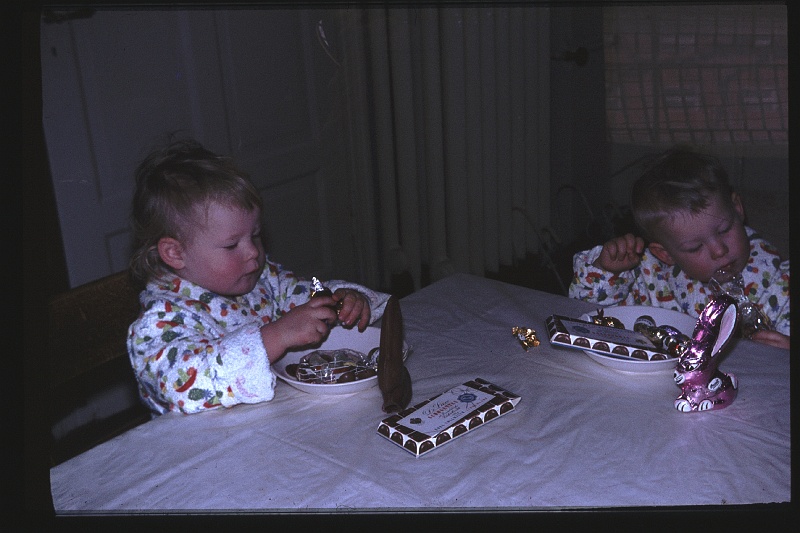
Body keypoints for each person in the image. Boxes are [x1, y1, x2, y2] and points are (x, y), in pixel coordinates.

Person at [127, 139, 390, 414]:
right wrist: (276, 336)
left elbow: (303, 294)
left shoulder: (261, 279)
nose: (253, 252)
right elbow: (184, 384)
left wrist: (340, 299)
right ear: (175, 253)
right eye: (232, 245)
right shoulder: (159, 322)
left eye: (255, 235)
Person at [569, 147, 790, 350]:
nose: (719, 250)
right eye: (695, 247)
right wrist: (608, 273)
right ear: (665, 254)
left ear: (737, 208)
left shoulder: (779, 282)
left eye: (724, 229)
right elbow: (588, 314)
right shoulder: (649, 276)